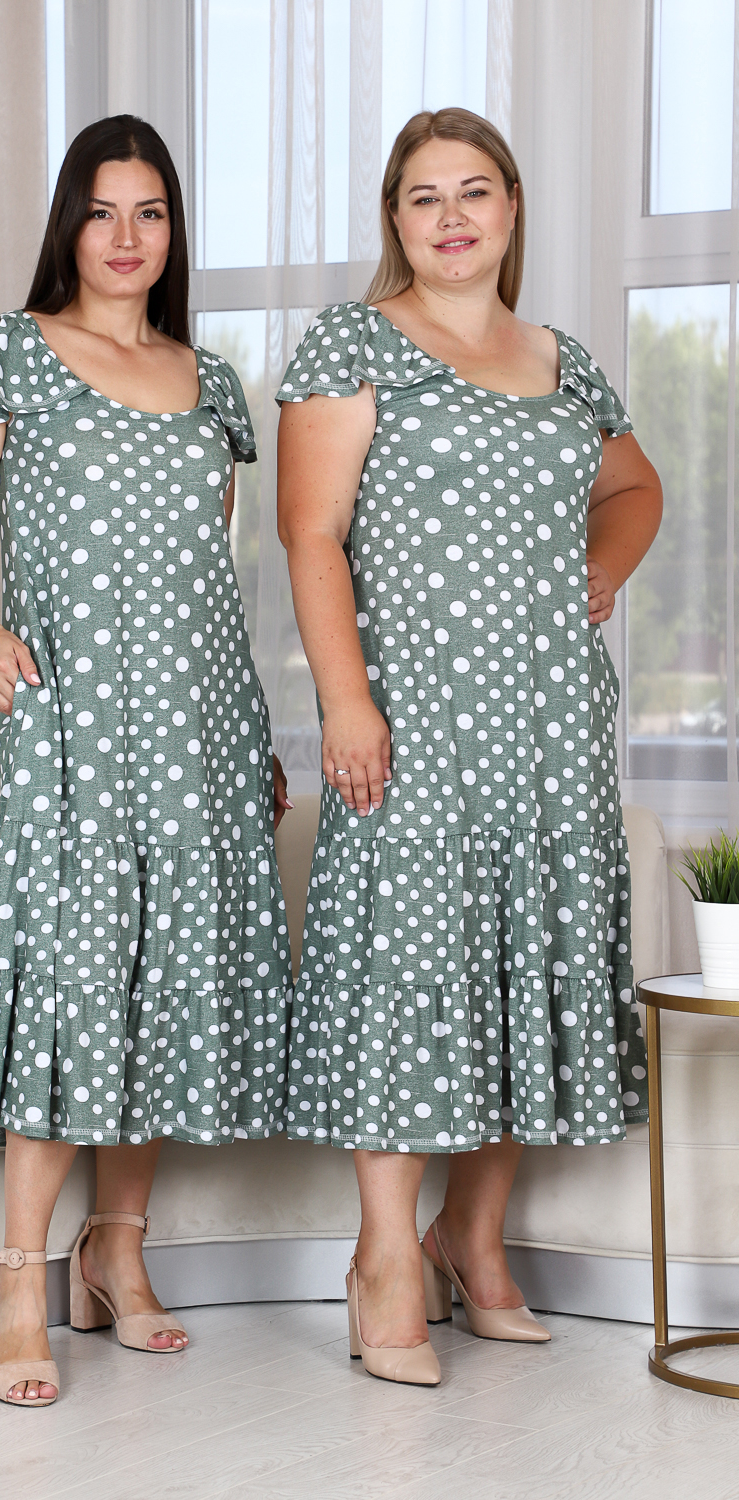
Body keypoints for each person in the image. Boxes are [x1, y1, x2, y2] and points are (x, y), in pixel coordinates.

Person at [275, 107, 661, 1386]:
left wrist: (598, 572)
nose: (450, 217)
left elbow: (634, 488)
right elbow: (310, 533)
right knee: (408, 964)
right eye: (423, 195)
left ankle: (472, 1239)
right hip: (415, 713)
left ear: (509, 208)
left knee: (523, 963)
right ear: (395, 217)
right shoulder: (353, 344)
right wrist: (345, 702)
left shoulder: (562, 359)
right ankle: (385, 1257)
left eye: (474, 191)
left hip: (550, 721)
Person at [0, 115, 292, 1407]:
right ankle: (21, 1276)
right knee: (74, 975)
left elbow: (207, 580)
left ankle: (116, 1253)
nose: (126, 237)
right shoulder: (10, 354)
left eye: (151, 213)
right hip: (73, 713)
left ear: (173, 230)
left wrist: (254, 732)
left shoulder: (210, 382)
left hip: (202, 722)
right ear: (68, 224)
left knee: (164, 977)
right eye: (102, 211)